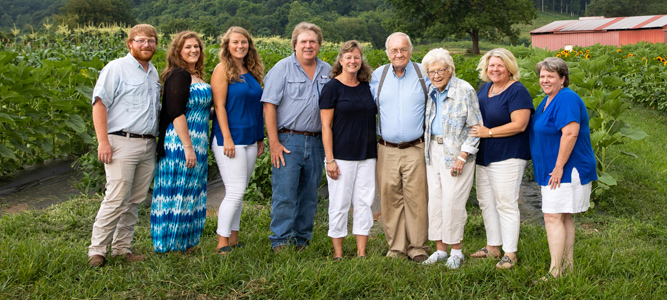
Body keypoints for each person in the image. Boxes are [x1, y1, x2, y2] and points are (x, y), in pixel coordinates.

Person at [88, 24, 161, 267]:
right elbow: (99, 104)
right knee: (117, 197)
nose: (146, 45)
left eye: (151, 41)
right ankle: (97, 251)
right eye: (141, 40)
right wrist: (103, 142)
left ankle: (122, 248)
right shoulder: (116, 68)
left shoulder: (153, 73)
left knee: (135, 199)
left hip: (147, 143)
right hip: (122, 141)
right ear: (130, 43)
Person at [261, 22, 331, 251]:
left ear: (319, 45)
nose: (308, 46)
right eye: (303, 41)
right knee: (285, 193)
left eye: (313, 41)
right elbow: (269, 106)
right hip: (288, 140)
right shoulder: (282, 69)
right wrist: (274, 144)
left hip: (316, 141)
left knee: (310, 194)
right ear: (295, 45)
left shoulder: (327, 71)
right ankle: (280, 240)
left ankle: (302, 239)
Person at [529, 57, 597, 279]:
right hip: (553, 167)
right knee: (563, 216)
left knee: (552, 216)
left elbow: (570, 133)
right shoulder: (548, 99)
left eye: (551, 76)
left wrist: (559, 167)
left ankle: (555, 271)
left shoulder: (566, 98)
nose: (545, 80)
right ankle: (567, 267)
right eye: (542, 76)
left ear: (563, 78)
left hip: (566, 168)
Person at [468, 48, 534, 269]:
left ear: (509, 68)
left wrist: (489, 132)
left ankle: (510, 253)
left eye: (500, 65)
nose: (494, 69)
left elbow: (520, 124)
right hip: (485, 155)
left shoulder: (517, 91)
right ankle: (493, 247)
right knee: (486, 202)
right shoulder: (486, 88)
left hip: (508, 155)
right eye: (491, 65)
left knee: (506, 203)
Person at [370, 32, 430, 262]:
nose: (399, 54)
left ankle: (418, 248)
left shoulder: (423, 73)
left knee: (417, 198)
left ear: (410, 51)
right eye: (394, 50)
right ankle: (396, 247)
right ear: (387, 53)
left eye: (403, 49)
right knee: (390, 197)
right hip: (386, 148)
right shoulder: (379, 75)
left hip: (416, 147)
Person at [419, 48, 482, 268]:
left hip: (456, 153)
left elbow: (476, 127)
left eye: (440, 70)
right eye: (431, 71)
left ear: (450, 69)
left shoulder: (465, 90)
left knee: (453, 202)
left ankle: (456, 251)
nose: (436, 75)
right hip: (433, 150)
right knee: (435, 201)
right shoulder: (431, 90)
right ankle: (440, 250)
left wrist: (463, 156)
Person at [151, 31, 212, 253]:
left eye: (196, 46)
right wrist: (188, 147)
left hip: (198, 141)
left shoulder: (196, 75)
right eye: (187, 47)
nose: (193, 50)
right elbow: (176, 113)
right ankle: (169, 244)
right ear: (178, 51)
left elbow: (200, 109)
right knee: (176, 191)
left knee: (190, 192)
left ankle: (184, 242)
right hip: (180, 142)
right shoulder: (178, 75)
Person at [210, 26, 265, 254]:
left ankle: (234, 238)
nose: (240, 46)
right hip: (229, 139)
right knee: (234, 191)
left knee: (240, 190)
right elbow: (219, 106)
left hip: (251, 138)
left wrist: (260, 137)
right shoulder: (222, 70)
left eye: (244, 42)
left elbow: (256, 107)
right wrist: (227, 138)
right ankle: (222, 242)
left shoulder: (250, 71)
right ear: (227, 45)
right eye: (235, 42)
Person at [320, 40, 377, 260]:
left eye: (356, 57)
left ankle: (361, 253)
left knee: (364, 203)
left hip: (367, 155)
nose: (353, 61)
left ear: (361, 60)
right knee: (339, 203)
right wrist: (330, 159)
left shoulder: (366, 86)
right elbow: (326, 126)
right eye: (348, 57)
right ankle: (338, 253)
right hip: (341, 156)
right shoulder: (332, 87)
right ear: (341, 61)